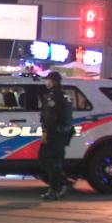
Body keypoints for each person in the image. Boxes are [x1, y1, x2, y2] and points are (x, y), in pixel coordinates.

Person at [39, 71, 74, 201]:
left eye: (48, 80)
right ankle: (61, 184)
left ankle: (56, 188)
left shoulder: (53, 97)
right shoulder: (66, 95)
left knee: (46, 159)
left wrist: (45, 133)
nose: (46, 82)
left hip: (54, 133)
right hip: (64, 133)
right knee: (56, 161)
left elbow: (49, 117)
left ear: (53, 82)